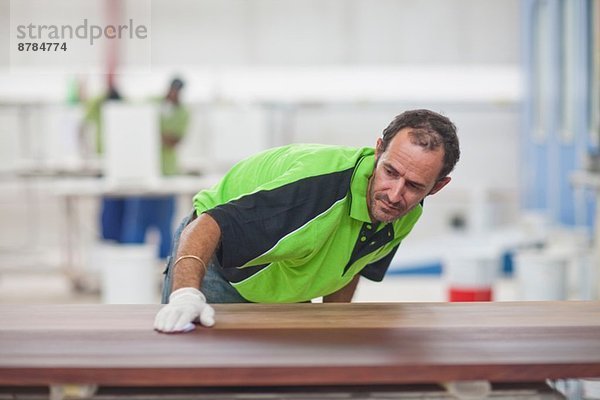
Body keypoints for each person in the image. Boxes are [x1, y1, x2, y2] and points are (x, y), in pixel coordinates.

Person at [154, 109, 460, 333]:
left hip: (281, 284)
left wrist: (333, 329)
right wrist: (185, 294)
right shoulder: (315, 190)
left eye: (414, 185)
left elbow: (351, 266)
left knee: (299, 379)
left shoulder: (404, 213)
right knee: (196, 375)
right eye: (390, 172)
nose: (395, 195)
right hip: (214, 266)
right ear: (378, 150)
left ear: (437, 187)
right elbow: (207, 225)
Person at [120, 77, 191, 259]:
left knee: (164, 223)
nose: (174, 94)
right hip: (144, 171)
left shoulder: (183, 112)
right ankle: (133, 261)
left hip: (167, 174)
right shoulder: (152, 103)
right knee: (137, 222)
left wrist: (152, 132)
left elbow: (174, 141)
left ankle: (164, 262)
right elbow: (136, 124)